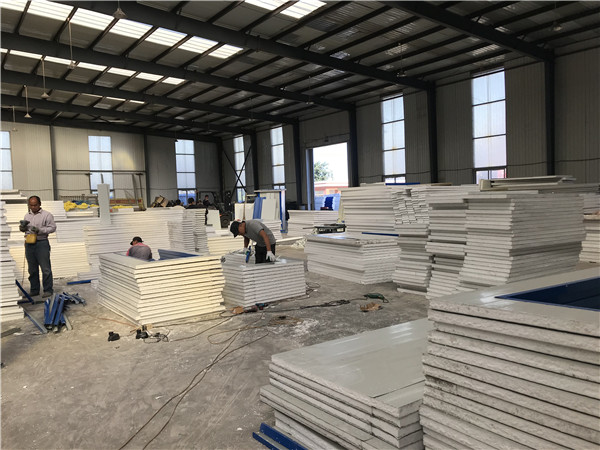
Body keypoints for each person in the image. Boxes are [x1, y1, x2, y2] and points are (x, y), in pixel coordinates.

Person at [20, 195, 56, 297]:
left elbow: (52, 228)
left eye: (35, 205)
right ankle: (34, 290)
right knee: (32, 269)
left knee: (45, 269)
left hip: (41, 243)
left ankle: (48, 290)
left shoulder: (47, 215)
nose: (33, 207)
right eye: (31, 205)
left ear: (39, 204)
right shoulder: (27, 216)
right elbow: (25, 229)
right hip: (29, 243)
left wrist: (40, 230)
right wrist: (22, 228)